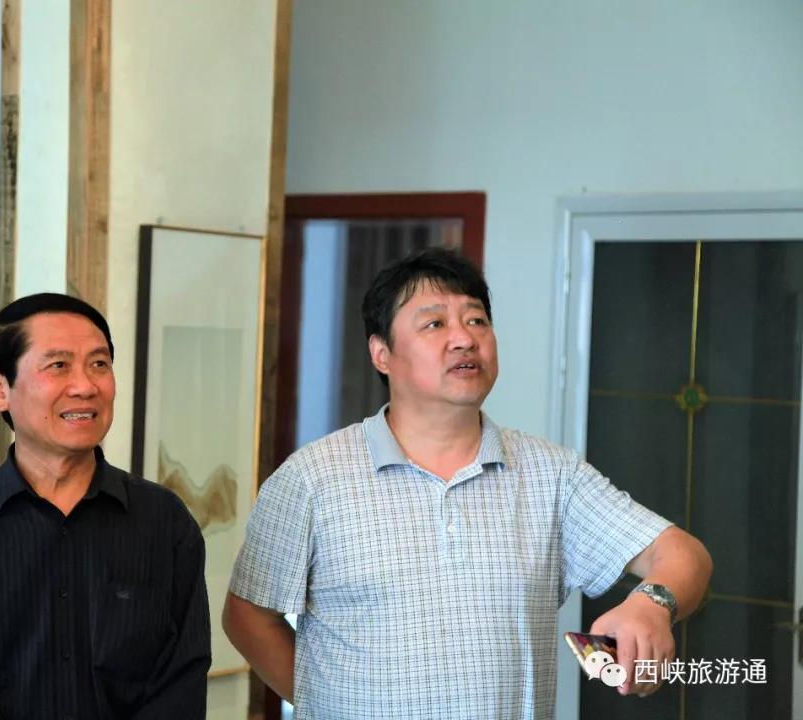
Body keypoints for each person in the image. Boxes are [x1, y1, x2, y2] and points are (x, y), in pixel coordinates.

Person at [223, 247, 713, 719]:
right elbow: (248, 616)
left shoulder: (552, 475)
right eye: (434, 323)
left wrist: (653, 605)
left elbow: (684, 555)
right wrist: (331, 704)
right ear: (381, 354)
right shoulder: (312, 478)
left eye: (476, 320)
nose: (464, 338)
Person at [0, 293, 210, 719]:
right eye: (59, 365)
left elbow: (181, 683)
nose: (85, 386)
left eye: (99, 364)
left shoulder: (164, 522)